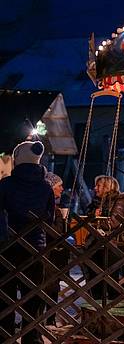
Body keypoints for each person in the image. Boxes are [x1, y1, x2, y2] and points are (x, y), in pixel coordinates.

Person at [0, 141, 54, 344]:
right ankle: (32, 337)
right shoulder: (46, 187)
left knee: (5, 294)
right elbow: (50, 217)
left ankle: (5, 336)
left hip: (7, 246)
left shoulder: (5, 185)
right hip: (35, 247)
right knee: (33, 294)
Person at [84, 175, 124, 301]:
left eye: (98, 186)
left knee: (110, 280)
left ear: (107, 187)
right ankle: (96, 311)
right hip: (93, 244)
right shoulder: (95, 202)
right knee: (94, 280)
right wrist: (93, 215)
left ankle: (113, 313)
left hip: (111, 245)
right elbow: (86, 218)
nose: (95, 188)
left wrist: (93, 223)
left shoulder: (120, 199)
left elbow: (114, 222)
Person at [44, 172, 69, 326]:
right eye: (59, 186)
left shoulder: (55, 208)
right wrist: (61, 219)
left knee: (52, 286)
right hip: (49, 253)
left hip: (54, 254)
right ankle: (47, 318)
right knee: (49, 286)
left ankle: (49, 317)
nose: (62, 189)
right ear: (51, 187)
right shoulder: (52, 210)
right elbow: (56, 232)